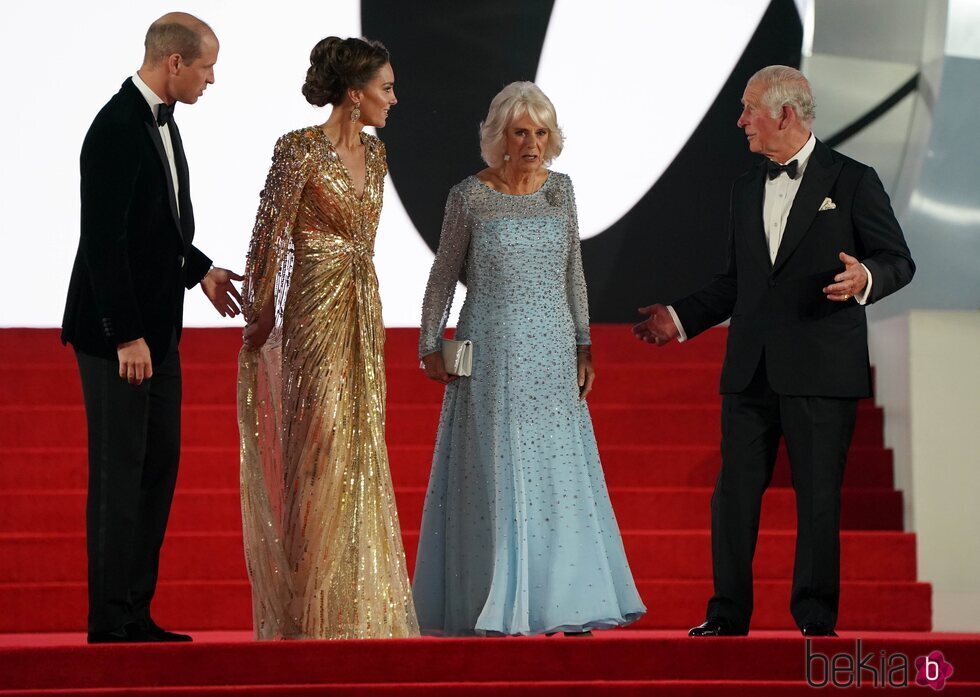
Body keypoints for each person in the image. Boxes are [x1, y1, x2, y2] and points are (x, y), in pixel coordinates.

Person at [633, 65, 915, 637]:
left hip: (821, 370)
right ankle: (727, 615)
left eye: (748, 109)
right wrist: (681, 318)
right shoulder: (743, 189)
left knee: (817, 501)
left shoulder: (853, 181)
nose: (740, 121)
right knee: (732, 498)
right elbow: (738, 282)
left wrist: (865, 278)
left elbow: (899, 260)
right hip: (750, 371)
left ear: (784, 114)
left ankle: (814, 618)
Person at [413, 81, 646, 637]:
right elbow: (444, 274)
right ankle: (494, 599)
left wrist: (585, 343)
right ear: (499, 136)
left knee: (559, 475)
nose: (532, 143)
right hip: (487, 348)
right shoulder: (468, 196)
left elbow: (573, 272)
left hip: (552, 348)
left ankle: (564, 602)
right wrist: (429, 342)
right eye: (521, 132)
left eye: (541, 133)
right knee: (494, 470)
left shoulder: (560, 191)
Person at [61, 12, 243, 644]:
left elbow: (158, 229)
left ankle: (136, 611)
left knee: (157, 464)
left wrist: (202, 271)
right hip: (120, 337)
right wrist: (124, 334)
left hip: (158, 332)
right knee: (120, 469)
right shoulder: (114, 128)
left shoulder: (164, 125)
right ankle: (110, 619)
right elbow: (103, 243)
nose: (210, 79)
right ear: (174, 63)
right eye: (205, 67)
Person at [238, 36, 418, 640]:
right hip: (314, 308)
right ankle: (308, 610)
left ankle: (354, 607)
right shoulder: (298, 150)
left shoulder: (378, 152)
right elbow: (270, 237)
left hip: (363, 309)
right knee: (320, 443)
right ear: (353, 92)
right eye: (386, 88)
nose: (394, 99)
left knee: (362, 444)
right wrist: (259, 312)